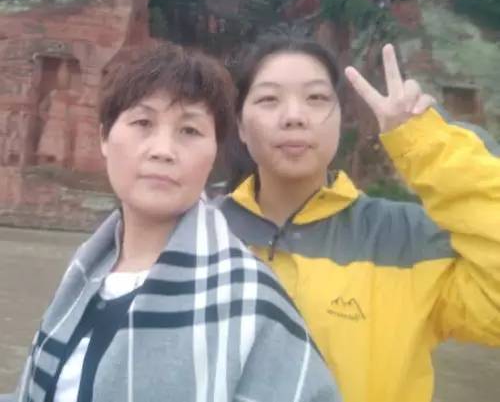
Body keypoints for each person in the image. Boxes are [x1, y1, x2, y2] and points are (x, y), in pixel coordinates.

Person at [14, 42, 341, 402]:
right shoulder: (81, 278)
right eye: (143, 123)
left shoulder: (250, 298)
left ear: (214, 152)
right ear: (105, 137)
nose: (163, 150)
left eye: (189, 131)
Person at [219, 30, 500, 402]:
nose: (294, 117)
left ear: (341, 119)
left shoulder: (405, 238)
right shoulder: (202, 233)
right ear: (240, 125)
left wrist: (425, 144)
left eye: (316, 98)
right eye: (269, 99)